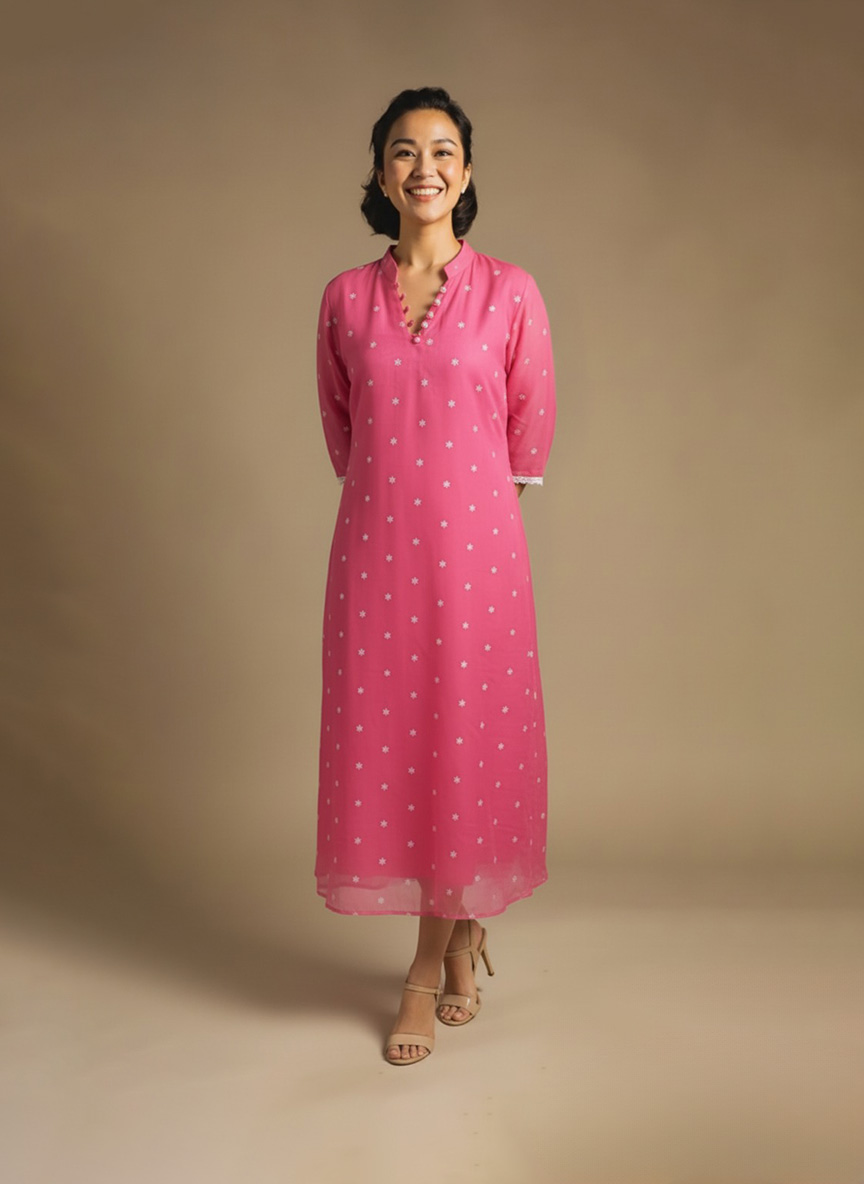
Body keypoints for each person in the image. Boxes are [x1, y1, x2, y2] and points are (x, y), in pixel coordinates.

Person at [314, 86, 557, 1065]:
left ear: (467, 169)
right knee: (398, 748)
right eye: (404, 151)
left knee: (466, 745)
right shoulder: (342, 298)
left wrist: (467, 538)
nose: (425, 167)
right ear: (380, 172)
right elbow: (345, 435)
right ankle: (463, 941)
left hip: (478, 560)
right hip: (374, 554)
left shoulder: (514, 294)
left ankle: (423, 966)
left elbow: (525, 440)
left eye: (444, 150)